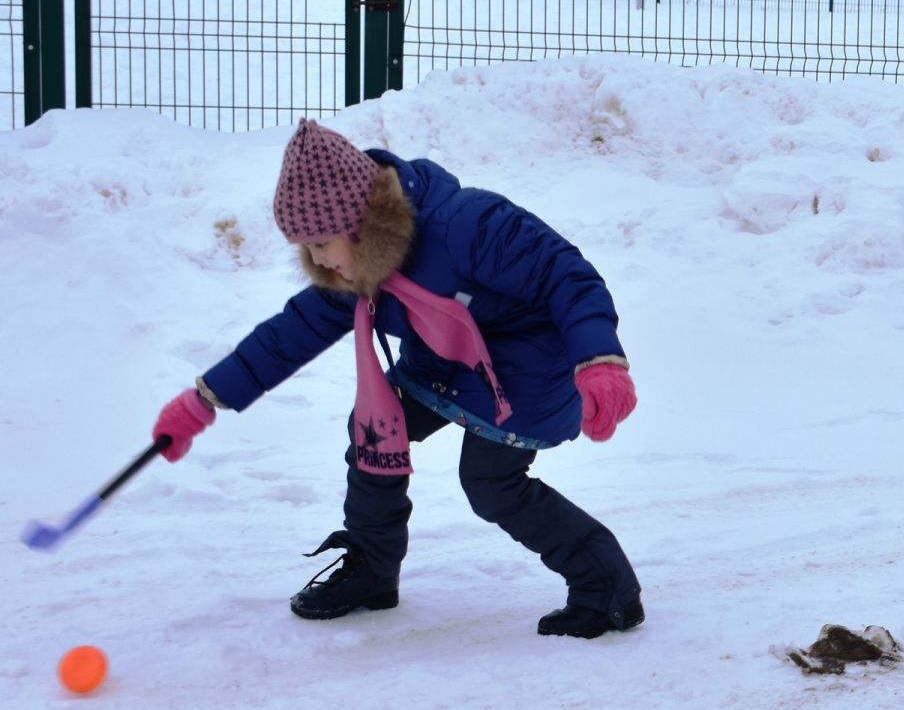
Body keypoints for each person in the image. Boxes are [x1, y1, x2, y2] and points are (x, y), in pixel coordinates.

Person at [151, 119, 644, 640]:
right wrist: (204, 400)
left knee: (491, 484)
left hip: (524, 372)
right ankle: (372, 570)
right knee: (373, 430)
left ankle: (606, 587)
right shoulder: (353, 270)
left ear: (360, 223)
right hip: (443, 368)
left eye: (320, 243)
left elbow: (566, 274)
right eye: (306, 248)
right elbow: (290, 334)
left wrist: (600, 360)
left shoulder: (466, 225)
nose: (315, 260)